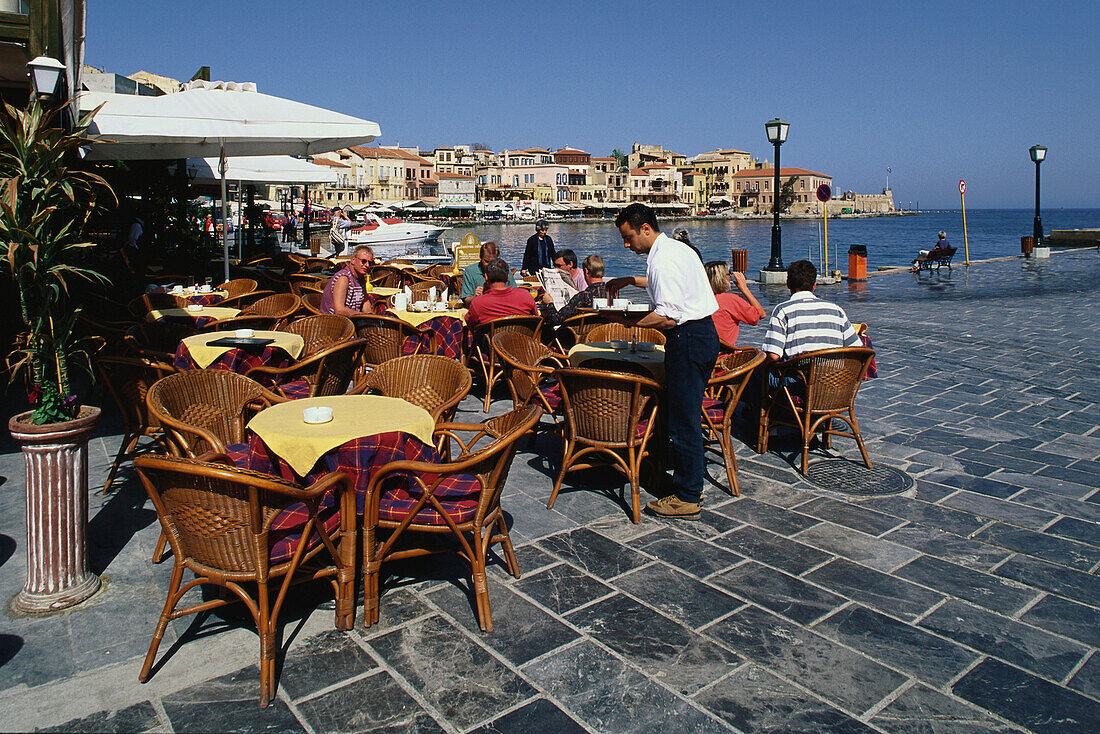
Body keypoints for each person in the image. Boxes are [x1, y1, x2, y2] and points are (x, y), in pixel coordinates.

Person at [605, 203, 719, 519]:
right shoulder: (677, 250)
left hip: (687, 340)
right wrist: (631, 280)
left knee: (684, 421)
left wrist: (627, 321)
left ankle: (687, 496)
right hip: (702, 334)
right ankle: (677, 476)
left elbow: (667, 317)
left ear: (645, 229)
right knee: (681, 414)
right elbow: (668, 287)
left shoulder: (664, 260)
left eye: (628, 238)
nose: (626, 245)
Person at [761, 259, 861, 361]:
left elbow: (773, 355)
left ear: (788, 284)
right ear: (814, 286)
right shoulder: (837, 311)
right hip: (833, 375)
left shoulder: (783, 311)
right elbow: (857, 348)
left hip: (799, 375)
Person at [705, 261, 766, 347]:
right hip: (725, 355)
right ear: (722, 278)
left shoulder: (699, 300)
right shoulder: (730, 300)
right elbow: (760, 314)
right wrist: (744, 289)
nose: (730, 277)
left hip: (703, 352)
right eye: (729, 274)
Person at [465, 257, 538, 328]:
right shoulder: (525, 296)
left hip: (490, 339)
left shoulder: (478, 303)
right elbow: (535, 319)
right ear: (508, 277)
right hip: (523, 339)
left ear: (486, 277)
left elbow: (469, 324)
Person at [539, 255, 608, 326]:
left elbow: (555, 320)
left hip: (580, 335)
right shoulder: (612, 293)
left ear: (586, 271)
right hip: (605, 334)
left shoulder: (583, 296)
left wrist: (550, 303)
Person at [320, 244, 374, 317]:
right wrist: (363, 316)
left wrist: (370, 316)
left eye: (370, 263)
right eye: (363, 261)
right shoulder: (343, 279)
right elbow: (339, 310)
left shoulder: (361, 278)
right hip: (333, 322)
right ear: (353, 260)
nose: (367, 265)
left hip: (351, 320)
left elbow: (365, 302)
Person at [460, 241, 516, 307]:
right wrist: (476, 296)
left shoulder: (504, 270)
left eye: (493, 261)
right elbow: (466, 301)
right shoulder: (470, 271)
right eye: (486, 261)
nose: (490, 265)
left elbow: (515, 294)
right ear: (480, 258)